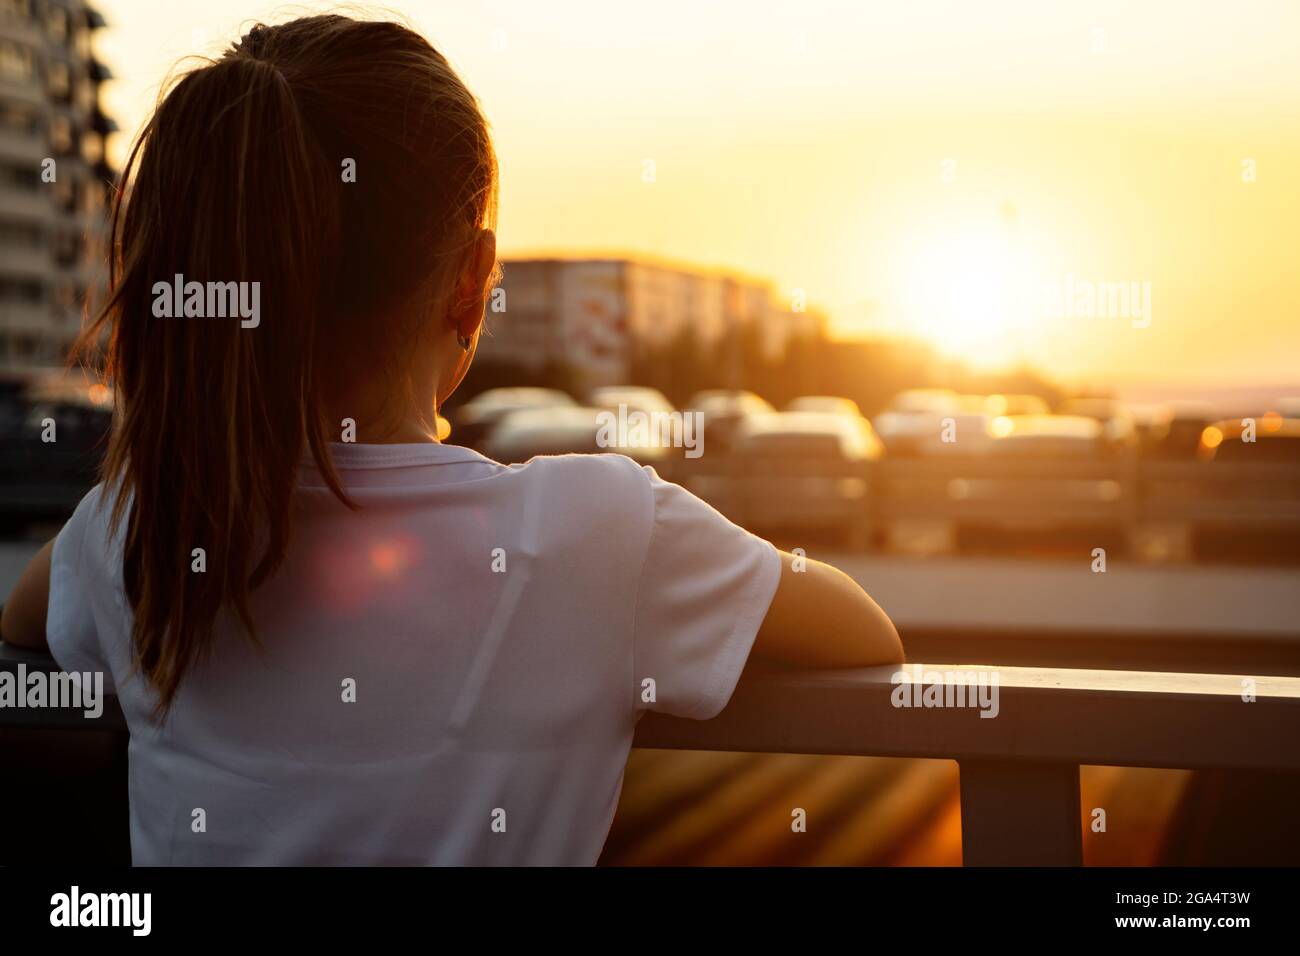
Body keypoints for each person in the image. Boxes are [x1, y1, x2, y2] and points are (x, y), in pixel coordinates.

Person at [0, 15, 901, 865]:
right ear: (472, 283)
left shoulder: (139, 533)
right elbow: (862, 634)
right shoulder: (596, 532)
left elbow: (25, 619)